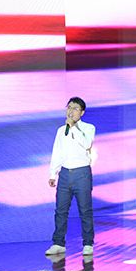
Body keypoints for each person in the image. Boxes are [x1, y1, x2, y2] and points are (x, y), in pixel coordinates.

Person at [45, 96, 96, 257]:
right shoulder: (61, 130)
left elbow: (86, 144)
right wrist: (53, 173)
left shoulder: (88, 128)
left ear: (82, 112)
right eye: (69, 107)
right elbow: (57, 152)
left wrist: (73, 127)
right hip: (65, 173)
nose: (71, 111)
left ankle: (87, 243)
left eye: (75, 108)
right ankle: (58, 243)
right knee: (61, 210)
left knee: (85, 210)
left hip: (82, 173)